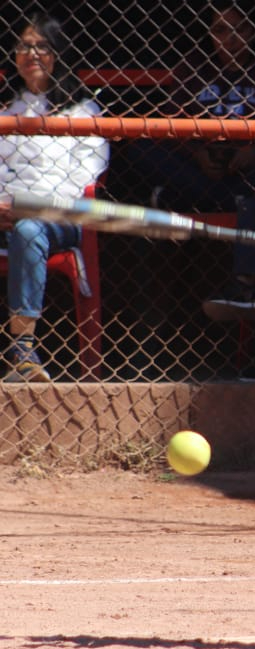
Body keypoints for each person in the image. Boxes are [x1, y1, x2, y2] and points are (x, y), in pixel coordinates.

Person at [125, 2, 255, 380]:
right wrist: (196, 153)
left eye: (238, 29)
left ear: (253, 32)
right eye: (220, 30)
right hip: (202, 170)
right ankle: (196, 196)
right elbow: (169, 123)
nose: (229, 39)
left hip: (251, 173)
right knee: (140, 144)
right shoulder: (194, 67)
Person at [0, 13, 109, 382]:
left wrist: (26, 206)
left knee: (30, 229)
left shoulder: (82, 110)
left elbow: (84, 179)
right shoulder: (4, 107)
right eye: (24, 46)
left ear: (58, 53)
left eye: (42, 46)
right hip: (2, 213)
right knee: (24, 226)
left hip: (59, 218)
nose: (32, 53)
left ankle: (23, 352)